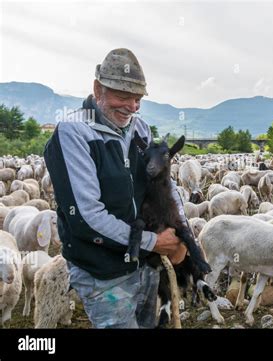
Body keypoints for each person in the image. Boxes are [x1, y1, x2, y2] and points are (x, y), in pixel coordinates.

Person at [44, 48, 187, 328]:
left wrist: (180, 234)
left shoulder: (140, 129)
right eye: (123, 96)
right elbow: (87, 216)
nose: (132, 107)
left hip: (145, 264)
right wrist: (154, 242)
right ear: (98, 89)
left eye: (138, 99)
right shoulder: (74, 133)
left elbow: (163, 187)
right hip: (104, 274)